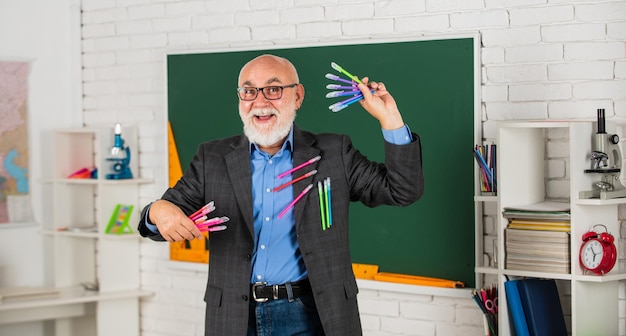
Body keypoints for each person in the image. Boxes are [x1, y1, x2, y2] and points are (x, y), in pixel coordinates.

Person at [138, 54, 424, 336]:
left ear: (297, 96)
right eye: (249, 91)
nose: (260, 102)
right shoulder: (211, 158)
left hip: (313, 314)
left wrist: (391, 119)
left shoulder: (333, 153)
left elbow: (402, 190)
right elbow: (164, 216)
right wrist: (157, 212)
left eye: (273, 89)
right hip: (234, 317)